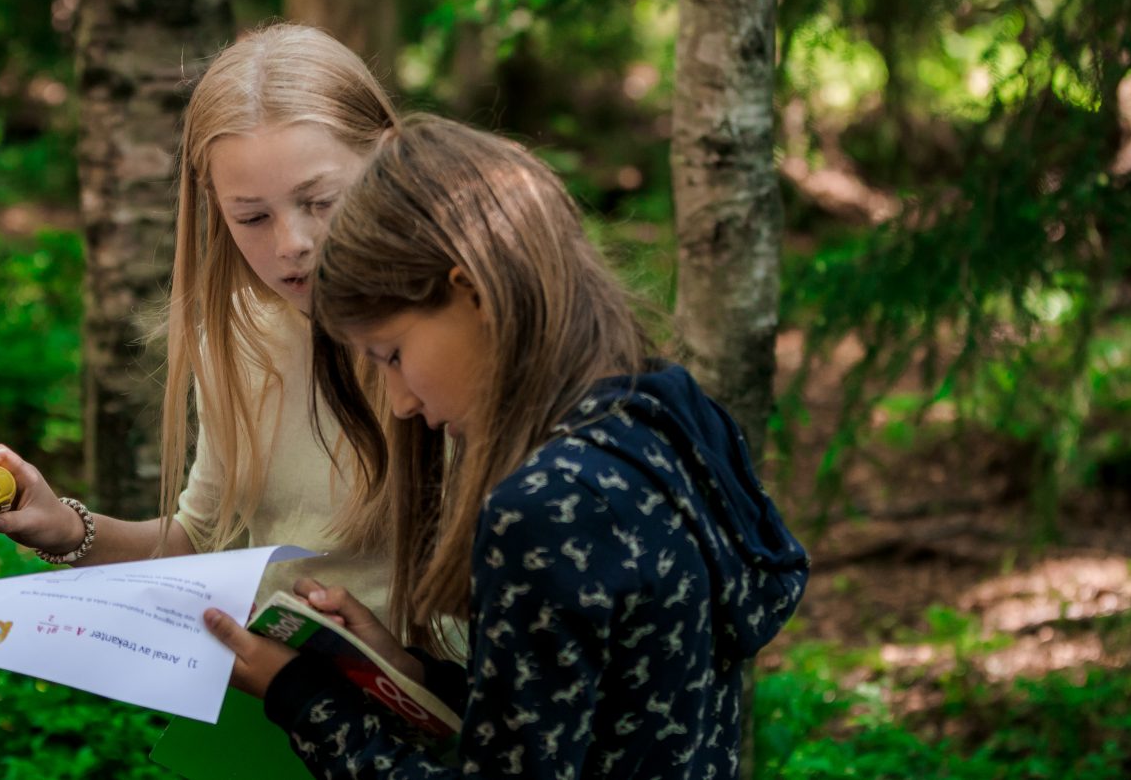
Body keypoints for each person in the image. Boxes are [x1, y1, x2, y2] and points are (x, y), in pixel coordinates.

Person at [203, 115, 810, 778]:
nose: (401, 402)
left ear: (474, 294)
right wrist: (407, 673)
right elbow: (583, 718)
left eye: (393, 355)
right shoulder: (663, 414)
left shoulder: (546, 507)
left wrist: (302, 698)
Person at [0, 23, 400, 618]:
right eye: (252, 217)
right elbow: (204, 539)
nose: (293, 243)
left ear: (390, 157)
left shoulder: (466, 329)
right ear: (214, 207)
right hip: (276, 698)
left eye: (321, 202)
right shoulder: (243, 335)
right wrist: (64, 527)